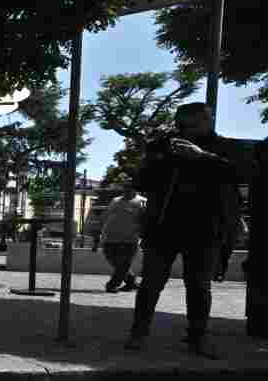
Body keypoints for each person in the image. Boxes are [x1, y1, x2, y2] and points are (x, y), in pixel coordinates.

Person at [125, 103, 240, 358]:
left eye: (209, 119)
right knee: (151, 283)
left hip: (205, 227)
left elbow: (238, 174)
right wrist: (161, 158)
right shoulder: (162, 146)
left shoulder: (221, 147)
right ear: (185, 122)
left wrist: (202, 157)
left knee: (199, 285)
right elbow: (141, 182)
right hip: (164, 226)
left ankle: (197, 338)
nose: (210, 122)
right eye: (203, 119)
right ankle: (139, 333)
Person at [99, 183, 146, 293]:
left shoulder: (142, 201)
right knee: (113, 260)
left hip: (130, 238)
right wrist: (99, 231)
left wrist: (142, 234)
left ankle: (112, 285)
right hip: (110, 237)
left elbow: (145, 219)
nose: (127, 190)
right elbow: (106, 215)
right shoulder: (115, 200)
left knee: (124, 264)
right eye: (125, 188)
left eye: (130, 188)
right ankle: (131, 282)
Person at [214, 215, 247, 282]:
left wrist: (240, 235)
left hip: (229, 240)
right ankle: (218, 274)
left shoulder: (237, 216)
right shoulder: (222, 214)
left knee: (225, 258)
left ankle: (221, 274)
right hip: (221, 239)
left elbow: (245, 229)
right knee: (220, 257)